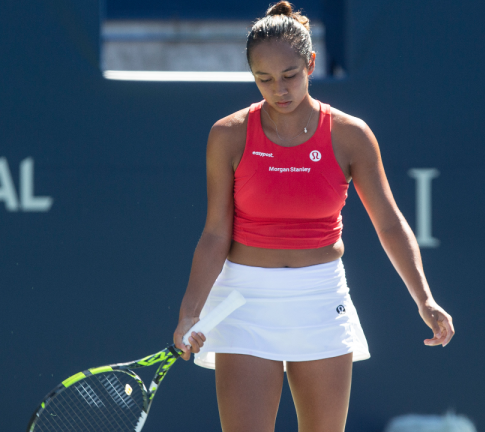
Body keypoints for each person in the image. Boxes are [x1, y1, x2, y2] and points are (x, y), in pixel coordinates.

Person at [172, 2, 455, 431]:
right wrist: (189, 312)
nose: (278, 89)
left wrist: (425, 298)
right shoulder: (227, 135)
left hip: (322, 300)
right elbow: (215, 234)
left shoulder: (351, 135)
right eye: (263, 79)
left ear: (311, 63)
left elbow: (390, 223)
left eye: (290, 76)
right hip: (242, 302)